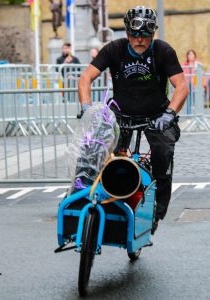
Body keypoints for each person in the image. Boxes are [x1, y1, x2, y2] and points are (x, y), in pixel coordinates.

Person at [78, 5, 189, 234]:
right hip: (120, 113)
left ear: (152, 34)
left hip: (157, 115)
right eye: (135, 35)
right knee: (97, 153)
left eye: (145, 35)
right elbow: (86, 78)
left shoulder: (163, 51)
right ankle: (83, 201)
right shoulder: (114, 49)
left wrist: (169, 114)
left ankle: (157, 211)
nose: (139, 40)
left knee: (163, 154)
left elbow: (182, 87)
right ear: (127, 33)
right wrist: (86, 107)